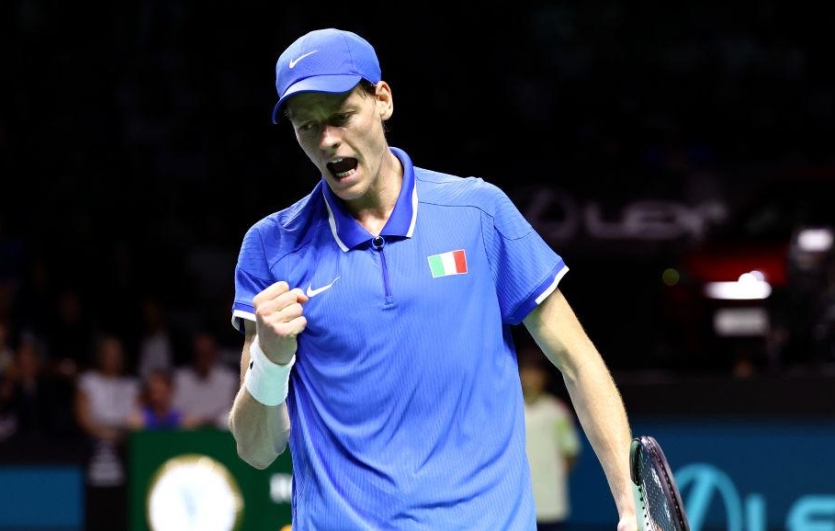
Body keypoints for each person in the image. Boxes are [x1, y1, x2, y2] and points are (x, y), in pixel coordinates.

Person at [227, 27, 637, 531]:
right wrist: (269, 360)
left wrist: (628, 505)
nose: (328, 140)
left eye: (341, 116)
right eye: (307, 126)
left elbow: (577, 361)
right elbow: (255, 449)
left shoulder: (478, 214)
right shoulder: (271, 246)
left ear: (382, 100)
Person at [519, 346, 581, 531]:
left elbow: (570, 452)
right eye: (526, 371)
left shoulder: (557, 412)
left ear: (544, 377)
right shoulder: (508, 411)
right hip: (518, 506)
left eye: (535, 372)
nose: (530, 377)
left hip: (551, 505)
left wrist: (553, 475)